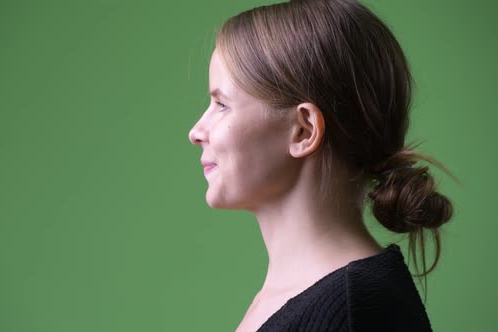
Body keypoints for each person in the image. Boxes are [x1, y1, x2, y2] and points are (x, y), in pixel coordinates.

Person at [188, 0, 456, 331]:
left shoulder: (354, 311)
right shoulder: (312, 300)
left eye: (221, 104)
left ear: (303, 130)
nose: (196, 132)